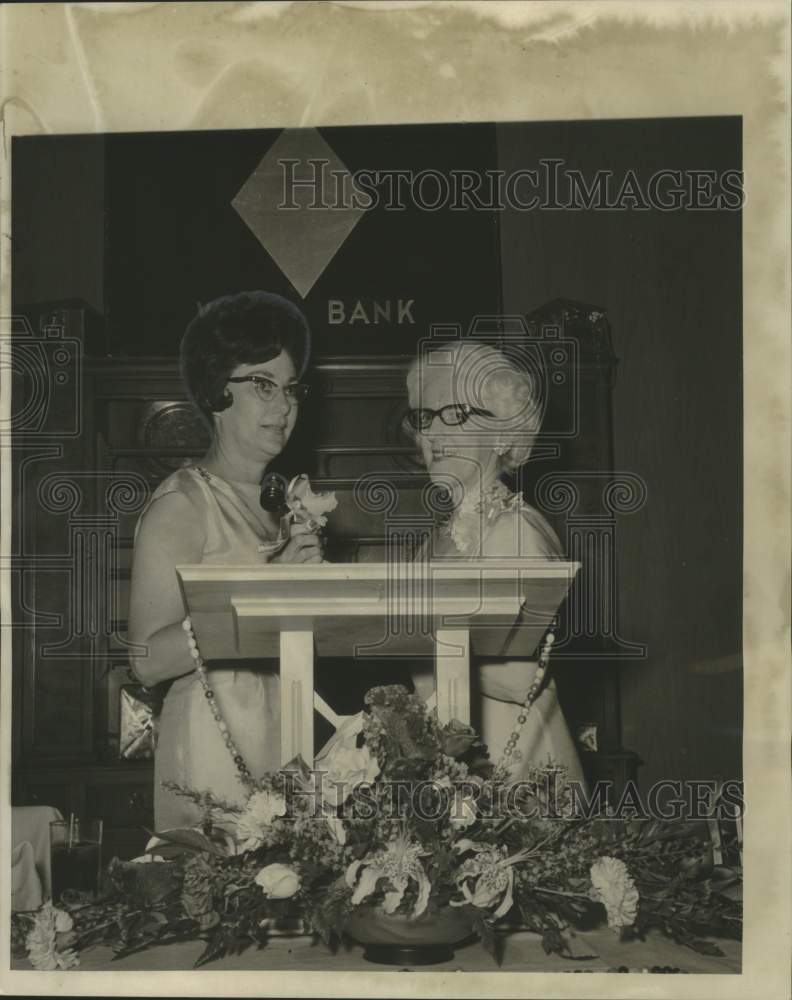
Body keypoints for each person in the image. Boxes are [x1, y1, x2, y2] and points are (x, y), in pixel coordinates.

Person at [128, 291, 322, 829]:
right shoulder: (183, 503)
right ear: (217, 390)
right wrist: (269, 592)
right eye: (262, 385)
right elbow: (145, 659)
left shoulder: (279, 507)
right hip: (213, 755)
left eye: (290, 389)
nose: (283, 407)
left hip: (286, 744)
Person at [405, 339, 584, 783]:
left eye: (456, 414)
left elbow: (519, 676)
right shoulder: (440, 538)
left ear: (503, 432)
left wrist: (401, 630)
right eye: (426, 417)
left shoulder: (517, 530)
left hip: (515, 765)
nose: (433, 434)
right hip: (457, 768)